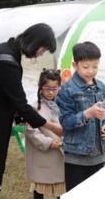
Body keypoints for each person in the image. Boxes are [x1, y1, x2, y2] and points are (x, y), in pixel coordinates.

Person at [0, 23, 63, 199]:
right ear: (35, 42)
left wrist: (19, 116)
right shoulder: (7, 61)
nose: (41, 54)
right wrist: (52, 127)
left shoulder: (6, 51)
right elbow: (21, 104)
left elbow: (8, 96)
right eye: (43, 49)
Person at [56, 41, 105, 192]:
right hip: (76, 157)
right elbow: (66, 122)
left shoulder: (101, 87)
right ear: (75, 65)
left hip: (98, 154)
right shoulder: (67, 90)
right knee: (77, 193)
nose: (91, 71)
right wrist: (88, 114)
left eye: (95, 66)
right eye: (86, 67)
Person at [25, 69, 65, 199]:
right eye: (47, 88)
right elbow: (32, 132)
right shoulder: (34, 107)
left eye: (55, 88)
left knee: (61, 187)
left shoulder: (62, 105)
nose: (51, 92)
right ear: (40, 88)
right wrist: (49, 142)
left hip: (61, 153)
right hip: (43, 154)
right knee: (40, 188)